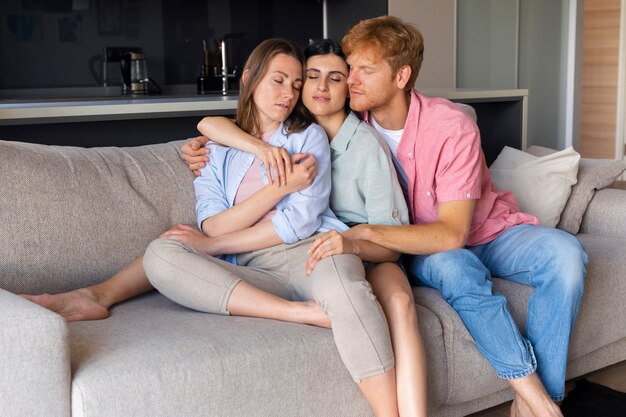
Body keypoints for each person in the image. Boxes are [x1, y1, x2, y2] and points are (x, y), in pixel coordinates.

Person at [182, 15, 588, 417]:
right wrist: (207, 143)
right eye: (348, 69)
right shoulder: (341, 118)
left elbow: (449, 232)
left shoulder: (448, 126)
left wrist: (359, 235)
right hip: (419, 246)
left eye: (361, 71)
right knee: (455, 271)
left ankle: (536, 399)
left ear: (400, 76)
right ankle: (535, 400)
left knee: (567, 255)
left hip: (477, 230)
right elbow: (236, 123)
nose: (349, 79)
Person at [22, 38, 407, 417]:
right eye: (279, 80)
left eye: (294, 84)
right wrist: (277, 188)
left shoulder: (309, 137)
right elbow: (211, 221)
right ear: (249, 80)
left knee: (348, 292)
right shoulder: (216, 148)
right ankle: (299, 313)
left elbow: (297, 222)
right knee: (162, 252)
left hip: (309, 251)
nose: (289, 94)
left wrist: (211, 243)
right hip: (245, 267)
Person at [186, 39, 428, 417]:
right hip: (318, 249)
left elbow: (389, 242)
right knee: (168, 251)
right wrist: (216, 141)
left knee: (396, 302)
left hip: (368, 251)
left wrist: (350, 244)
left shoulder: (362, 146)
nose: (319, 88)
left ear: (349, 87)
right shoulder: (290, 132)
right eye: (309, 78)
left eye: (335, 78)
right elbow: (209, 123)